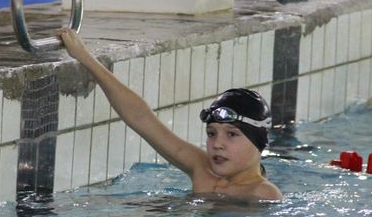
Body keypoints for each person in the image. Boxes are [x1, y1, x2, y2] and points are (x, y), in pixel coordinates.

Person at [59, 28, 283, 200]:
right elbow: (142, 120)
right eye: (212, 133)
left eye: (231, 135)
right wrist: (84, 56)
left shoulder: (263, 195)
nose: (217, 144)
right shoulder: (202, 168)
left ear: (259, 141)